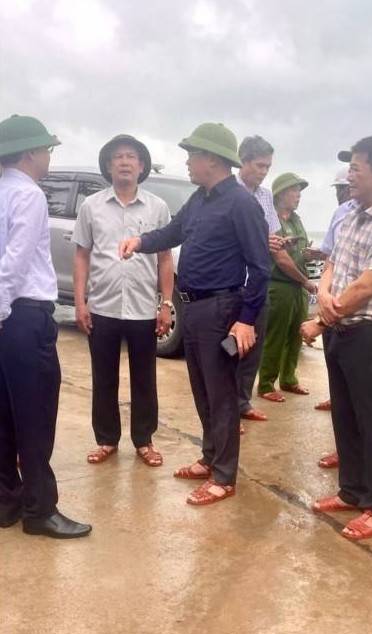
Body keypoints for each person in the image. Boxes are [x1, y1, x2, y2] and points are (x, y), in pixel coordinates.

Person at [118, 122, 270, 506]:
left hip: (224, 308)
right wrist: (140, 241)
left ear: (212, 160)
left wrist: (246, 319)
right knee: (202, 390)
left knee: (222, 395)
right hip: (195, 306)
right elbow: (174, 232)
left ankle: (224, 476)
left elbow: (260, 266)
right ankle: (209, 456)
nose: (187, 162)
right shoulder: (200, 199)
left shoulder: (241, 203)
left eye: (192, 155)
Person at [0, 115, 91, 538]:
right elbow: (15, 263)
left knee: (3, 415)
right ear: (32, 152)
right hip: (22, 316)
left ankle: (7, 501)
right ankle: (40, 509)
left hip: (6, 319)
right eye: (48, 150)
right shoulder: (28, 195)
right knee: (36, 416)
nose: (50, 157)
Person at [300, 135, 372, 540]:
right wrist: (323, 295)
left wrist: (327, 313)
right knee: (345, 417)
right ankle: (351, 492)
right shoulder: (351, 213)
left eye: (356, 168)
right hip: (340, 331)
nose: (349, 176)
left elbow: (370, 283)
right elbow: (333, 264)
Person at [74, 134, 173, 468]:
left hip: (144, 307)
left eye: (132, 157)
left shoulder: (157, 207)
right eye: (118, 157)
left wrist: (165, 304)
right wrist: (80, 302)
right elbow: (82, 255)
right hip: (102, 305)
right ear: (108, 165)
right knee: (104, 377)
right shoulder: (92, 206)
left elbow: (164, 259)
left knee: (144, 377)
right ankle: (106, 440)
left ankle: (144, 440)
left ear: (141, 165)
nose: (125, 162)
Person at [306, 167, 358, 467]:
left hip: (356, 317)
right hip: (333, 311)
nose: (342, 192)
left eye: (345, 186)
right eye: (340, 187)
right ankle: (346, 453)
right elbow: (330, 256)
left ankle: (358, 461)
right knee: (338, 379)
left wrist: (320, 320)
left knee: (362, 397)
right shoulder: (341, 214)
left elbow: (367, 282)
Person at [257, 172, 317, 401]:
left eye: (300, 191)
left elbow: (297, 251)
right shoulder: (271, 219)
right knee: (276, 335)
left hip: (298, 286)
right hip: (279, 284)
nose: (298, 196)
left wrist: (308, 254)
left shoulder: (295, 220)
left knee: (296, 333)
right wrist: (306, 281)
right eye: (294, 191)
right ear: (281, 193)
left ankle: (289, 379)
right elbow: (281, 258)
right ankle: (266, 384)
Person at [235, 135, 282, 425]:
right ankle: (226, 413)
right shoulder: (228, 193)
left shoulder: (265, 196)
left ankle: (242, 402)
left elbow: (271, 233)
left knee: (254, 346)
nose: (264, 172)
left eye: (268, 166)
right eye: (259, 165)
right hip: (232, 281)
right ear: (243, 161)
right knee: (230, 350)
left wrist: (276, 243)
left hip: (257, 282)